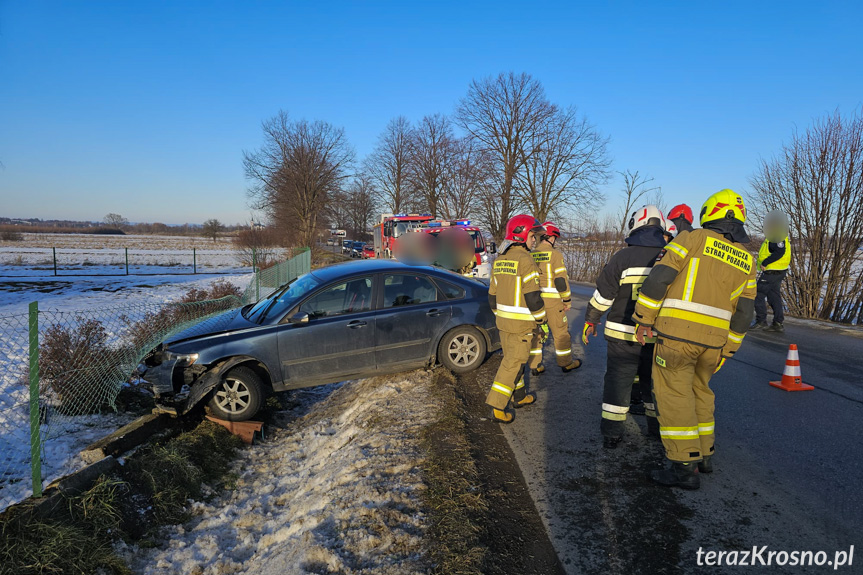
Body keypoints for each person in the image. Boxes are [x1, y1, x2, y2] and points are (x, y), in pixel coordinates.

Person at [633, 189, 757, 489]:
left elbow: (659, 278)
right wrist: (730, 347)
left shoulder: (692, 239)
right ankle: (705, 455)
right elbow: (745, 312)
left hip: (677, 337)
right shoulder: (748, 261)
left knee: (674, 397)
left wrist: (643, 319)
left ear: (711, 214)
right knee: (701, 392)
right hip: (713, 345)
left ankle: (682, 467)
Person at [582, 205, 668, 448]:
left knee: (618, 382)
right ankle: (655, 429)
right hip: (656, 337)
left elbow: (604, 296)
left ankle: (612, 433)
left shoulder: (623, 257)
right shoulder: (671, 255)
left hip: (622, 335)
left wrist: (591, 320)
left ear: (636, 224)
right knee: (653, 383)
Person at [485, 215, 548, 423]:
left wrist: (501, 316)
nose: (534, 240)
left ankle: (519, 397)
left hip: (503, 323)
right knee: (513, 363)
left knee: (516, 361)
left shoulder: (500, 260)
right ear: (522, 235)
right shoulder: (526, 260)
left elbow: (492, 296)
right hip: (521, 325)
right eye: (533, 235)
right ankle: (497, 406)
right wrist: (542, 320)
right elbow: (533, 297)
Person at [527, 221, 582, 375]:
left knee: (537, 332)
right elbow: (560, 281)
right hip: (552, 301)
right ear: (551, 237)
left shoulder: (530, 254)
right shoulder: (555, 254)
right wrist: (566, 300)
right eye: (555, 238)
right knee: (561, 332)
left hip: (535, 300)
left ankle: (535, 366)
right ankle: (566, 363)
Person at [751, 210, 791, 333]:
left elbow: (779, 252)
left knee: (757, 294)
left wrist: (765, 262)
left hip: (772, 271)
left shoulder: (776, 236)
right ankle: (778, 323)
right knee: (774, 296)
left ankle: (761, 321)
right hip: (779, 271)